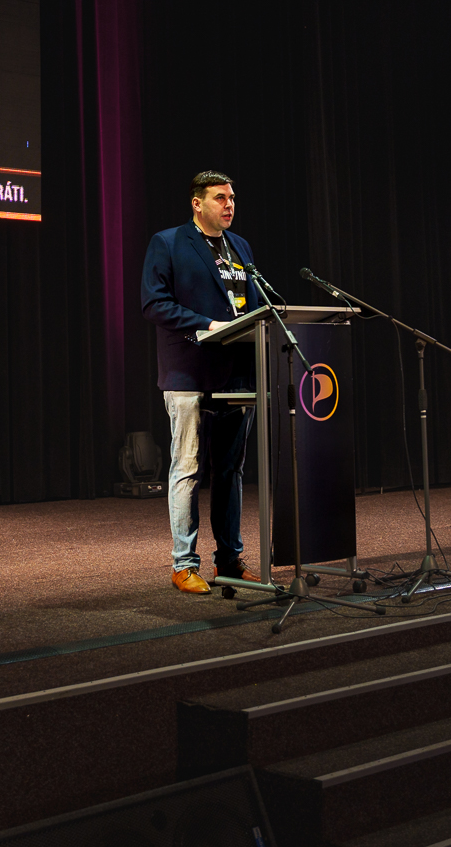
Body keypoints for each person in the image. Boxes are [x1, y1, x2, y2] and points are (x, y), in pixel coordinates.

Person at [140, 170, 261, 593]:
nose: (229, 205)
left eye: (232, 197)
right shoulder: (168, 242)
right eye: (220, 198)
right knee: (188, 468)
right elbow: (154, 303)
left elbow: (252, 304)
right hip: (189, 369)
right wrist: (207, 324)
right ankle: (183, 565)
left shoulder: (240, 246)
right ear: (197, 203)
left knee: (231, 470)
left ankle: (229, 561)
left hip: (237, 373)